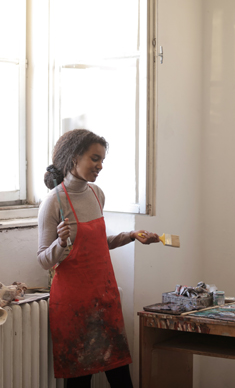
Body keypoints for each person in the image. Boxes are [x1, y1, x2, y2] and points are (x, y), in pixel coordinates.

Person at [37, 129, 159, 388]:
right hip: (73, 303)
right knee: (80, 382)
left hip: (104, 298)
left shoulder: (96, 194)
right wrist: (61, 243)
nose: (100, 166)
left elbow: (97, 244)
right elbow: (44, 260)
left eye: (102, 160)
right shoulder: (53, 202)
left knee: (120, 376)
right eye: (94, 159)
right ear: (73, 159)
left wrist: (132, 235)